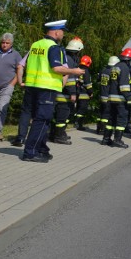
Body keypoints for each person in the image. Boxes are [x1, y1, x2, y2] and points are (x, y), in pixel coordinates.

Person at [21, 20, 85, 162]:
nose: (63, 34)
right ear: (56, 32)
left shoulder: (36, 44)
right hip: (47, 88)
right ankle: (30, 152)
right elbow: (57, 68)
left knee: (43, 119)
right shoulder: (54, 47)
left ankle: (42, 149)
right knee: (42, 119)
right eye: (62, 31)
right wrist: (73, 71)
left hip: (32, 86)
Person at [51, 36, 84, 145]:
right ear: (77, 51)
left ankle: (55, 134)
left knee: (57, 116)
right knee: (62, 116)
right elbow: (69, 78)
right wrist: (73, 93)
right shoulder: (70, 60)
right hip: (64, 95)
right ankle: (59, 136)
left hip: (60, 92)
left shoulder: (66, 57)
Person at [102, 48, 131, 149]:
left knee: (111, 119)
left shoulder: (115, 66)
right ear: (130, 59)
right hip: (121, 99)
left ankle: (106, 139)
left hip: (111, 98)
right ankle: (117, 140)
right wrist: (129, 98)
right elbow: (124, 86)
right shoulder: (125, 68)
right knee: (121, 120)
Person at [0, 33, 23, 141]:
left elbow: (19, 69)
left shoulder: (16, 55)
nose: (4, 45)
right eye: (3, 42)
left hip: (7, 86)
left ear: (11, 44)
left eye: (7, 43)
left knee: (1, 108)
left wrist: (13, 83)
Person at [97, 56, 118, 134]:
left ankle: (99, 128)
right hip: (108, 95)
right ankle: (103, 130)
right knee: (106, 114)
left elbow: (98, 80)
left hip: (102, 94)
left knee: (101, 113)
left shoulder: (104, 70)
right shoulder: (112, 72)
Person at [72, 55, 94, 131]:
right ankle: (79, 124)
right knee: (82, 110)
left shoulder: (77, 69)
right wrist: (91, 92)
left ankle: (75, 122)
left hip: (77, 92)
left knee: (78, 108)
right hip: (84, 94)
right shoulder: (86, 71)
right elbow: (88, 83)